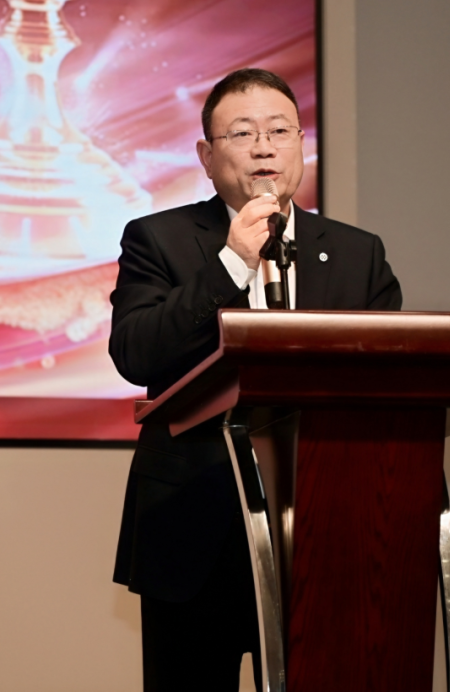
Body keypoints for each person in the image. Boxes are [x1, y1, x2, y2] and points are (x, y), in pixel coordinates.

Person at [108, 68, 402, 691]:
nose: (265, 147)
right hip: (194, 527)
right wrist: (232, 262)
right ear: (207, 157)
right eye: (242, 134)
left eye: (279, 131)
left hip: (324, 530)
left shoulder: (358, 254)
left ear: (301, 144)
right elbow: (135, 353)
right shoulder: (157, 239)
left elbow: (389, 380)